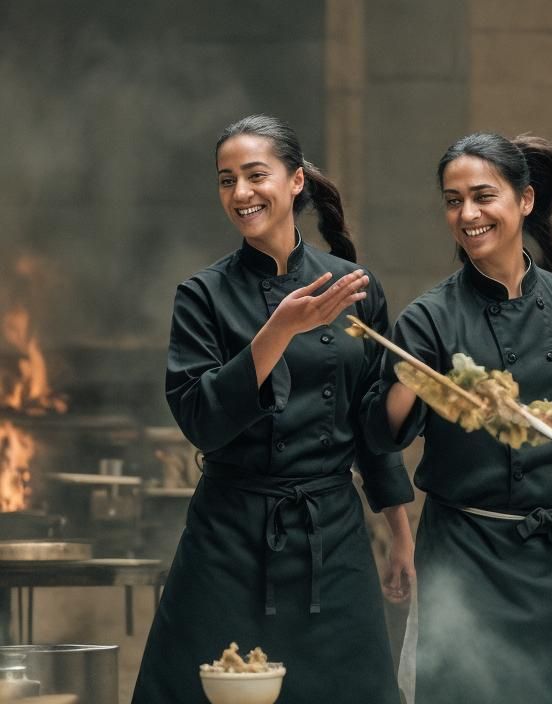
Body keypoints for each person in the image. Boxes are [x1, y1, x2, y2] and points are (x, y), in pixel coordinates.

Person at [361, 132, 552, 704]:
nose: (467, 214)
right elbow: (382, 433)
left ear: (524, 200)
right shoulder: (429, 319)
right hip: (470, 555)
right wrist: (409, 380)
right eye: (453, 201)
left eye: (482, 196)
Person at [132, 114, 414, 704]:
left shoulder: (351, 286)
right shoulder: (202, 295)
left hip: (331, 536)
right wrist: (278, 330)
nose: (240, 193)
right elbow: (201, 420)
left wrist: (399, 531)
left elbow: (369, 425)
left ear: (295, 181)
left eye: (255, 175)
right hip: (229, 539)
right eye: (226, 180)